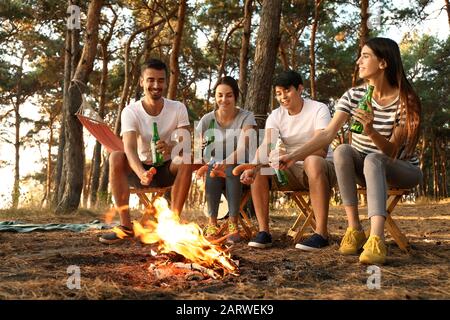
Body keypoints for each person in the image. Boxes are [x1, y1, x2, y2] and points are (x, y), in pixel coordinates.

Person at [272, 37, 422, 264]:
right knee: (342, 149)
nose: (358, 61)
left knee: (374, 158)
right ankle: (355, 229)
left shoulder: (405, 99)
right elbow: (326, 135)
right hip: (367, 170)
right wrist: (293, 156)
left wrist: (370, 131)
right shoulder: (353, 96)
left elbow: (391, 152)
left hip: (401, 169)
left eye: (365, 56)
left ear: (383, 63)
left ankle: (376, 238)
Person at [99, 59, 193, 244]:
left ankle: (172, 224)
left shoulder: (178, 108)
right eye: (151, 80)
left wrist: (171, 146)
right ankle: (126, 226)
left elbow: (185, 143)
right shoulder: (131, 111)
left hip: (167, 169)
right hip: (139, 169)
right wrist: (141, 172)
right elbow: (130, 147)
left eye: (160, 80)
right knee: (117, 156)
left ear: (166, 82)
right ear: (142, 81)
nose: (156, 85)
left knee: (186, 158)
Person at [240, 70, 336, 250]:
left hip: (320, 169)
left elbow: (321, 149)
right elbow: (266, 144)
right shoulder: (276, 116)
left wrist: (293, 156)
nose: (283, 97)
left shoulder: (318, 109)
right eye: (278, 93)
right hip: (289, 168)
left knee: (312, 160)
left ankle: (321, 233)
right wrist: (252, 167)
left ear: (300, 89)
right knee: (260, 170)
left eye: (287, 90)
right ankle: (264, 233)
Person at [196, 76, 256, 243]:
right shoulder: (207, 120)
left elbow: (243, 148)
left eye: (229, 95)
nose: (224, 99)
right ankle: (212, 223)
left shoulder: (246, 117)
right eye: (220, 95)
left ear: (236, 96)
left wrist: (225, 162)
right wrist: (204, 158)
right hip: (215, 167)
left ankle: (233, 223)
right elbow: (198, 149)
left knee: (231, 168)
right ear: (215, 97)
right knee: (213, 169)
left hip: (240, 167)